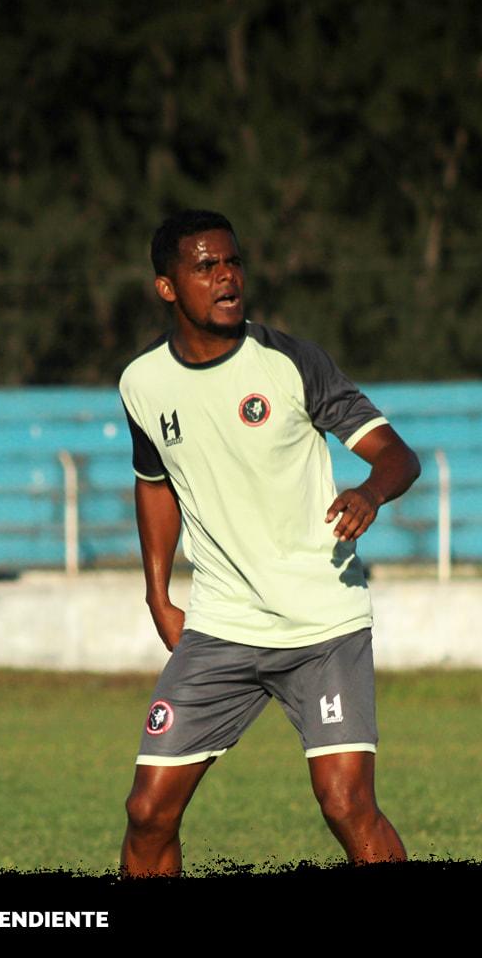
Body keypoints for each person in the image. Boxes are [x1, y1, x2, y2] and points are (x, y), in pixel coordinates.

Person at [118, 209, 420, 876]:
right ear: (167, 287)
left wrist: (371, 492)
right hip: (222, 625)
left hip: (322, 622)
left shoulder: (290, 362)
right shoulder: (141, 384)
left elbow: (398, 455)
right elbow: (154, 484)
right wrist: (157, 593)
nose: (226, 277)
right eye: (205, 267)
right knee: (148, 811)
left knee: (346, 804)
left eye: (233, 262)